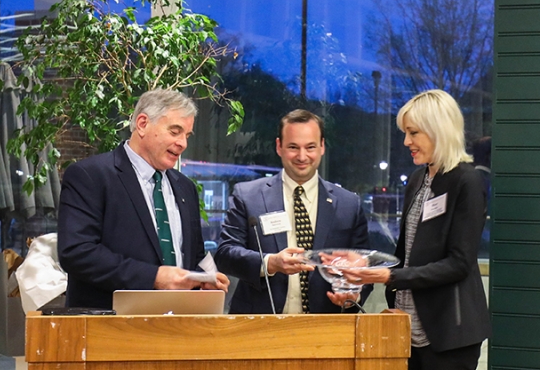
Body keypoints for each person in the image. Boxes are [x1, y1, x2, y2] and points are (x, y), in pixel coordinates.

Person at [344, 89, 491, 370]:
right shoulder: (417, 180)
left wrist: (391, 276)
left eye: (413, 133)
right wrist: (367, 265)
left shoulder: (467, 181)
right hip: (406, 327)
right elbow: (408, 253)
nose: (406, 142)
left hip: (449, 333)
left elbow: (459, 263)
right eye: (405, 133)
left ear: (439, 129)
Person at [57, 89, 229, 309]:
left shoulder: (185, 188)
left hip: (177, 324)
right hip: (111, 327)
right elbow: (77, 253)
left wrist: (204, 281)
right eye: (175, 131)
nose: (183, 143)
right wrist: (154, 277)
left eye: (187, 135)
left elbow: (194, 256)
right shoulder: (90, 176)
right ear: (142, 124)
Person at [215, 109, 372, 314]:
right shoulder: (248, 196)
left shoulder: (348, 204)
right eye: (293, 147)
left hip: (326, 329)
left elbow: (364, 265)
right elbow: (226, 253)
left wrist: (353, 295)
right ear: (279, 146)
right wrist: (271, 263)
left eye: (310, 147)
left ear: (322, 147)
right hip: (259, 328)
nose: (302, 156)